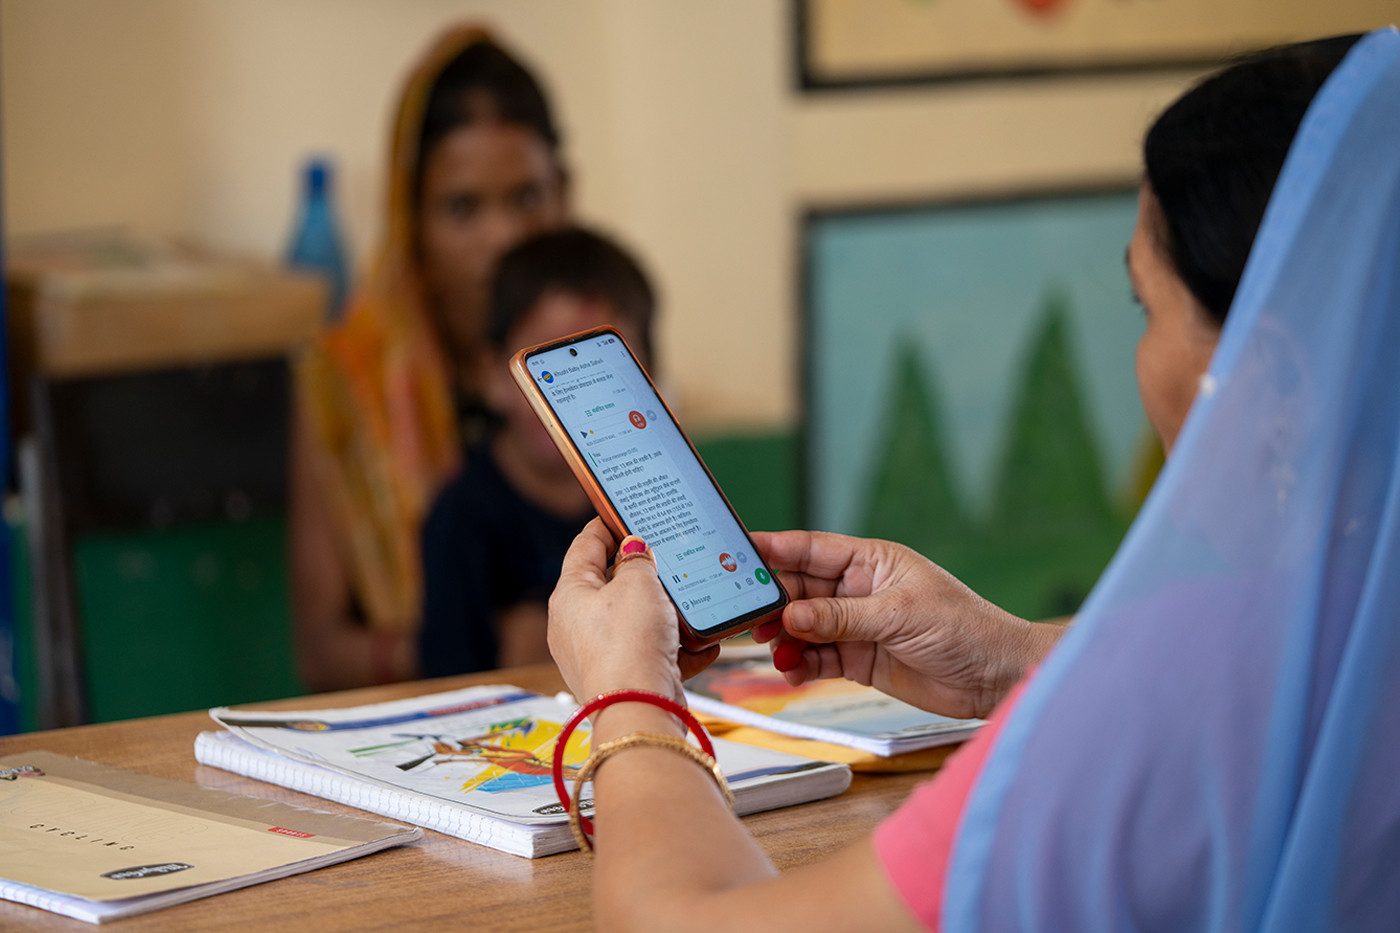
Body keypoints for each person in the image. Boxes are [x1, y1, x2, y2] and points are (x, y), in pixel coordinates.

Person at [546, 30, 1400, 931]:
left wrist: (626, 689)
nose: (1139, 356)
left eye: (1146, 308)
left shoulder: (1179, 687)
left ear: (1277, 377)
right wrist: (1018, 660)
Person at [291, 27, 570, 691]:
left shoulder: (599, 357)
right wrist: (481, 643)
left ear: (566, 189)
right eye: (463, 207)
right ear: (410, 219)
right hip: (419, 736)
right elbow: (323, 653)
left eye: (527, 197)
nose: (503, 236)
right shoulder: (345, 385)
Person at [419, 228, 656, 677]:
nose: (576, 401)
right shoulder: (462, 516)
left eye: (602, 369)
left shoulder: (654, 494)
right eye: (551, 368)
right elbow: (447, 679)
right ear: (492, 376)